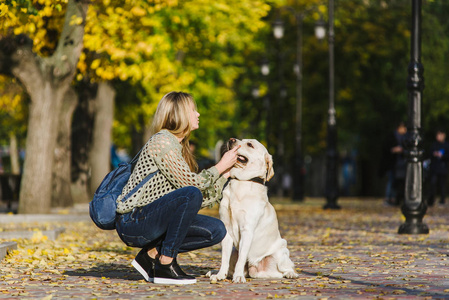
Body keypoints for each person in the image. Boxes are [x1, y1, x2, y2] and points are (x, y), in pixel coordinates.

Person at [115, 91, 239, 285]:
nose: (198, 114)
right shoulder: (162, 142)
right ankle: (166, 262)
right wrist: (220, 166)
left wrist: (225, 176)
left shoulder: (178, 147)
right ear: (180, 114)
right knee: (190, 193)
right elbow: (192, 188)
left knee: (216, 230)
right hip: (133, 220)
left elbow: (195, 199)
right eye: (193, 110)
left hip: (153, 218)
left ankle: (151, 255)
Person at [380, 122, 407, 206]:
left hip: (400, 164)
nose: (405, 130)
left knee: (397, 181)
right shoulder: (392, 137)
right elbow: (386, 149)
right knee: (391, 180)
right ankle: (389, 197)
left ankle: (394, 198)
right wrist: (393, 150)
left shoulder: (404, 138)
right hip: (392, 163)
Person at [427, 128, 449, 206]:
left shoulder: (446, 145)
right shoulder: (434, 145)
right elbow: (429, 154)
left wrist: (442, 156)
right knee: (433, 183)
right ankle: (431, 200)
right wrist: (434, 154)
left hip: (443, 168)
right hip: (434, 168)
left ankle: (442, 200)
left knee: (442, 185)